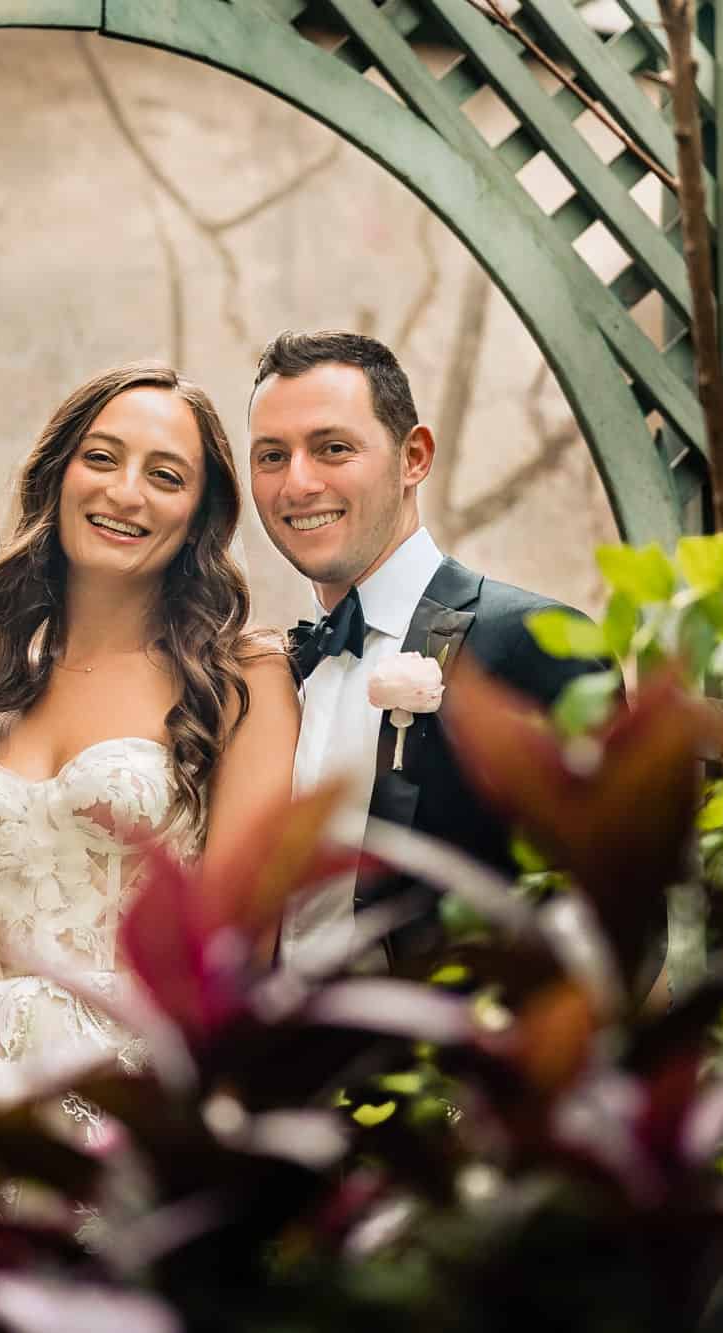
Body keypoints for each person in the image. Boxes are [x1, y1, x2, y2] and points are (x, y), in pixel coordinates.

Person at [0, 362, 299, 1096]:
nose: (124, 492)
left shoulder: (243, 679)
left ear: (199, 515)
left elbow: (241, 951)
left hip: (135, 1094)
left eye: (166, 476)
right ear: (58, 474)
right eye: (101, 458)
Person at [244, 330, 615, 976]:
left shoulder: (533, 644)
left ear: (414, 457)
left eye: (332, 448)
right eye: (272, 456)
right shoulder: (273, 678)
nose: (297, 483)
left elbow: (610, 930)